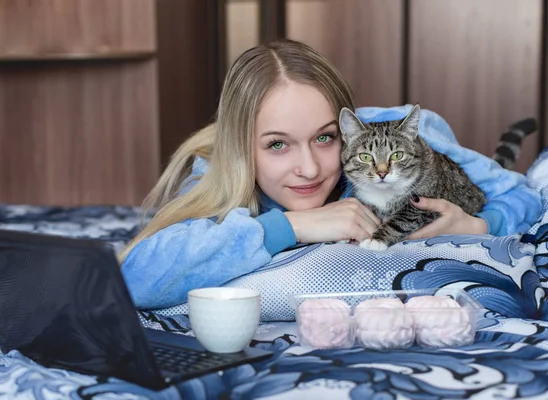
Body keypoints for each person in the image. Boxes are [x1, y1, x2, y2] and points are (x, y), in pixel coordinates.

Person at [119, 39, 542, 310]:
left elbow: (522, 195)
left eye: (324, 139)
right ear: (241, 148)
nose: (309, 168)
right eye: (277, 144)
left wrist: (483, 223)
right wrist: (287, 226)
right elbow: (136, 278)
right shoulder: (220, 171)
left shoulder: (398, 130)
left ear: (346, 127)